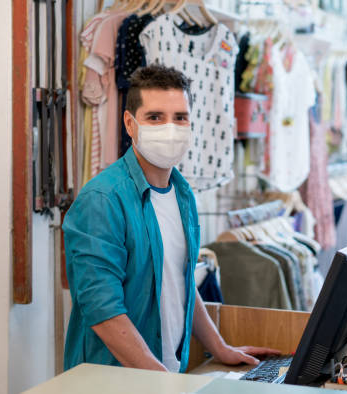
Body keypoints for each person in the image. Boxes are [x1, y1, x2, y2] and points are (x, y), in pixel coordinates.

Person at [62, 64, 279, 372]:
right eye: (155, 117)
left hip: (166, 373)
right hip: (112, 380)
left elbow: (180, 279)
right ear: (130, 123)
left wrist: (220, 347)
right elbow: (104, 312)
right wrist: (162, 381)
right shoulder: (103, 200)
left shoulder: (182, 193)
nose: (170, 128)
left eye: (180, 117)